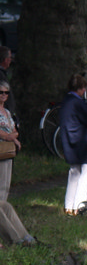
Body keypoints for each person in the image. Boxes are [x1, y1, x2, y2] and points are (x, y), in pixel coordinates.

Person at [60, 73, 87, 216]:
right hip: (83, 142)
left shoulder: (66, 100)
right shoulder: (78, 102)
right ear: (80, 88)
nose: (84, 91)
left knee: (74, 172)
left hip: (69, 140)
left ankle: (69, 206)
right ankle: (80, 205)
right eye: (83, 88)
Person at [0, 79, 33, 248]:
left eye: (6, 92)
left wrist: (13, 137)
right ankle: (15, 238)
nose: (4, 95)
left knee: (4, 195)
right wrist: (7, 136)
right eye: (1, 92)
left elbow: (13, 129)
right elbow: (6, 132)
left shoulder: (7, 112)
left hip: (7, 153)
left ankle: (23, 236)